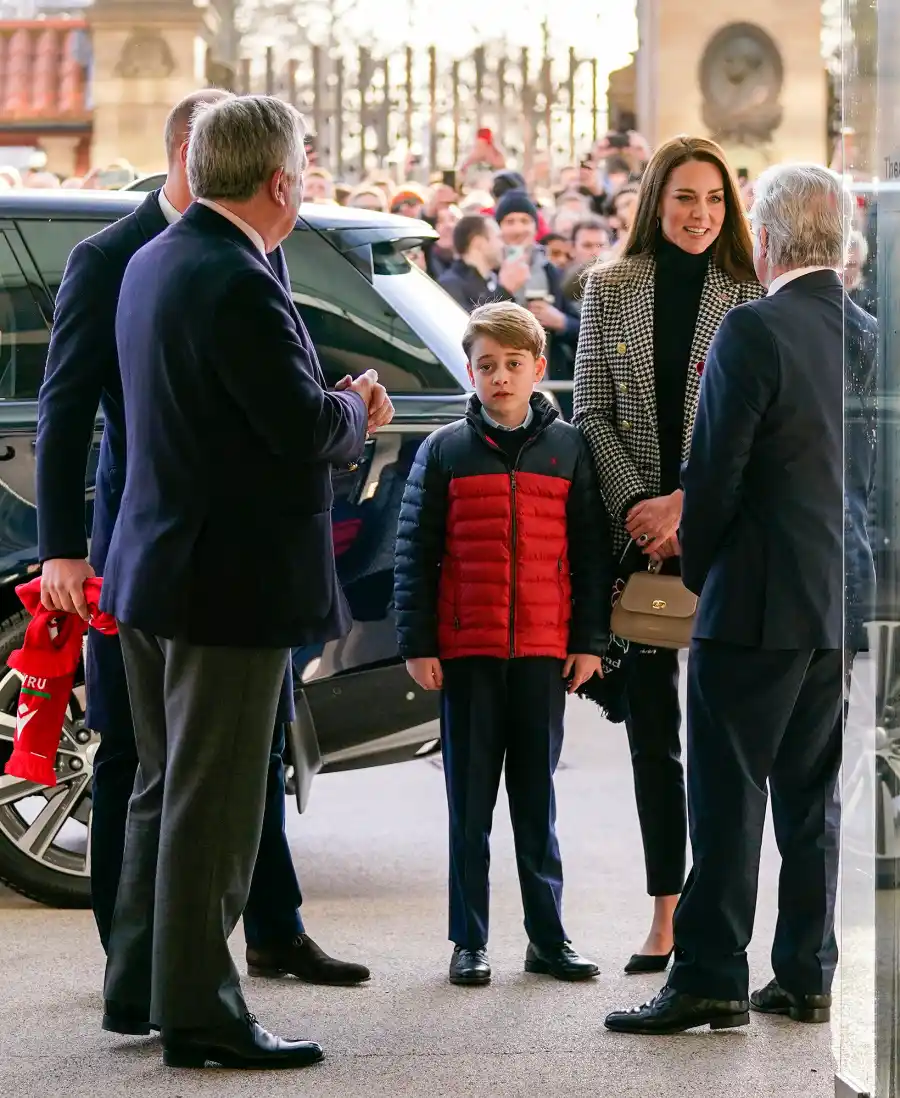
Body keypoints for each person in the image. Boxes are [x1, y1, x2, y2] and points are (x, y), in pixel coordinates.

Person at [36, 88, 370, 993]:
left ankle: (165, 977)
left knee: (191, 783)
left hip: (165, 558)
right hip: (206, 568)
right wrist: (351, 409)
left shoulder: (171, 259)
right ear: (272, 177)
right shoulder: (164, 260)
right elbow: (67, 412)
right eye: (299, 171)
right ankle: (190, 1000)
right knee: (186, 789)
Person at [605, 163, 876, 1035]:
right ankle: (805, 973)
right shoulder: (866, 331)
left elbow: (711, 478)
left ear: (765, 240)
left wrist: (699, 568)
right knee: (812, 800)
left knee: (726, 796)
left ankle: (711, 976)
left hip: (753, 597)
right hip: (834, 594)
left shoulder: (753, 331)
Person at [573, 135, 764, 975]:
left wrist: (690, 504)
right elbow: (589, 411)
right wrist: (641, 509)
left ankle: (724, 919)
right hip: (639, 548)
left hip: (722, 540)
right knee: (654, 736)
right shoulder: (610, 288)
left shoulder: (750, 296)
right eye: (686, 197)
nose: (701, 215)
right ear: (656, 200)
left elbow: (754, 427)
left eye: (715, 200)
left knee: (725, 739)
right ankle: (666, 914)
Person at [394, 301, 609, 986]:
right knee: (470, 805)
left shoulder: (568, 448)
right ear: (470, 371)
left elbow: (590, 553)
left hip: (543, 652)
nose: (501, 376)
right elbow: (415, 553)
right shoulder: (445, 451)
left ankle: (548, 939)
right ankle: (469, 940)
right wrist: (418, 641)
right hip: (469, 652)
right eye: (487, 365)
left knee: (536, 802)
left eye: (514, 364)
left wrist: (589, 641)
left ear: (538, 368)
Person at [438, 214, 529, 311]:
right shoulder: (450, 285)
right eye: (498, 238)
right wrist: (504, 291)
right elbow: (471, 323)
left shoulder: (492, 281)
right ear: (478, 242)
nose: (503, 245)